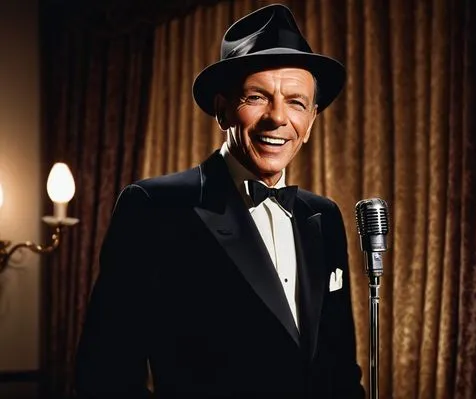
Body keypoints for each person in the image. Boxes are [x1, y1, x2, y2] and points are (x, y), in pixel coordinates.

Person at [75, 4, 365, 398]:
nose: (278, 118)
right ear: (223, 110)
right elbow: (105, 370)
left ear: (311, 121)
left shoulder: (323, 216)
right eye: (257, 97)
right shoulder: (153, 207)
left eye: (296, 102)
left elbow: (340, 369)